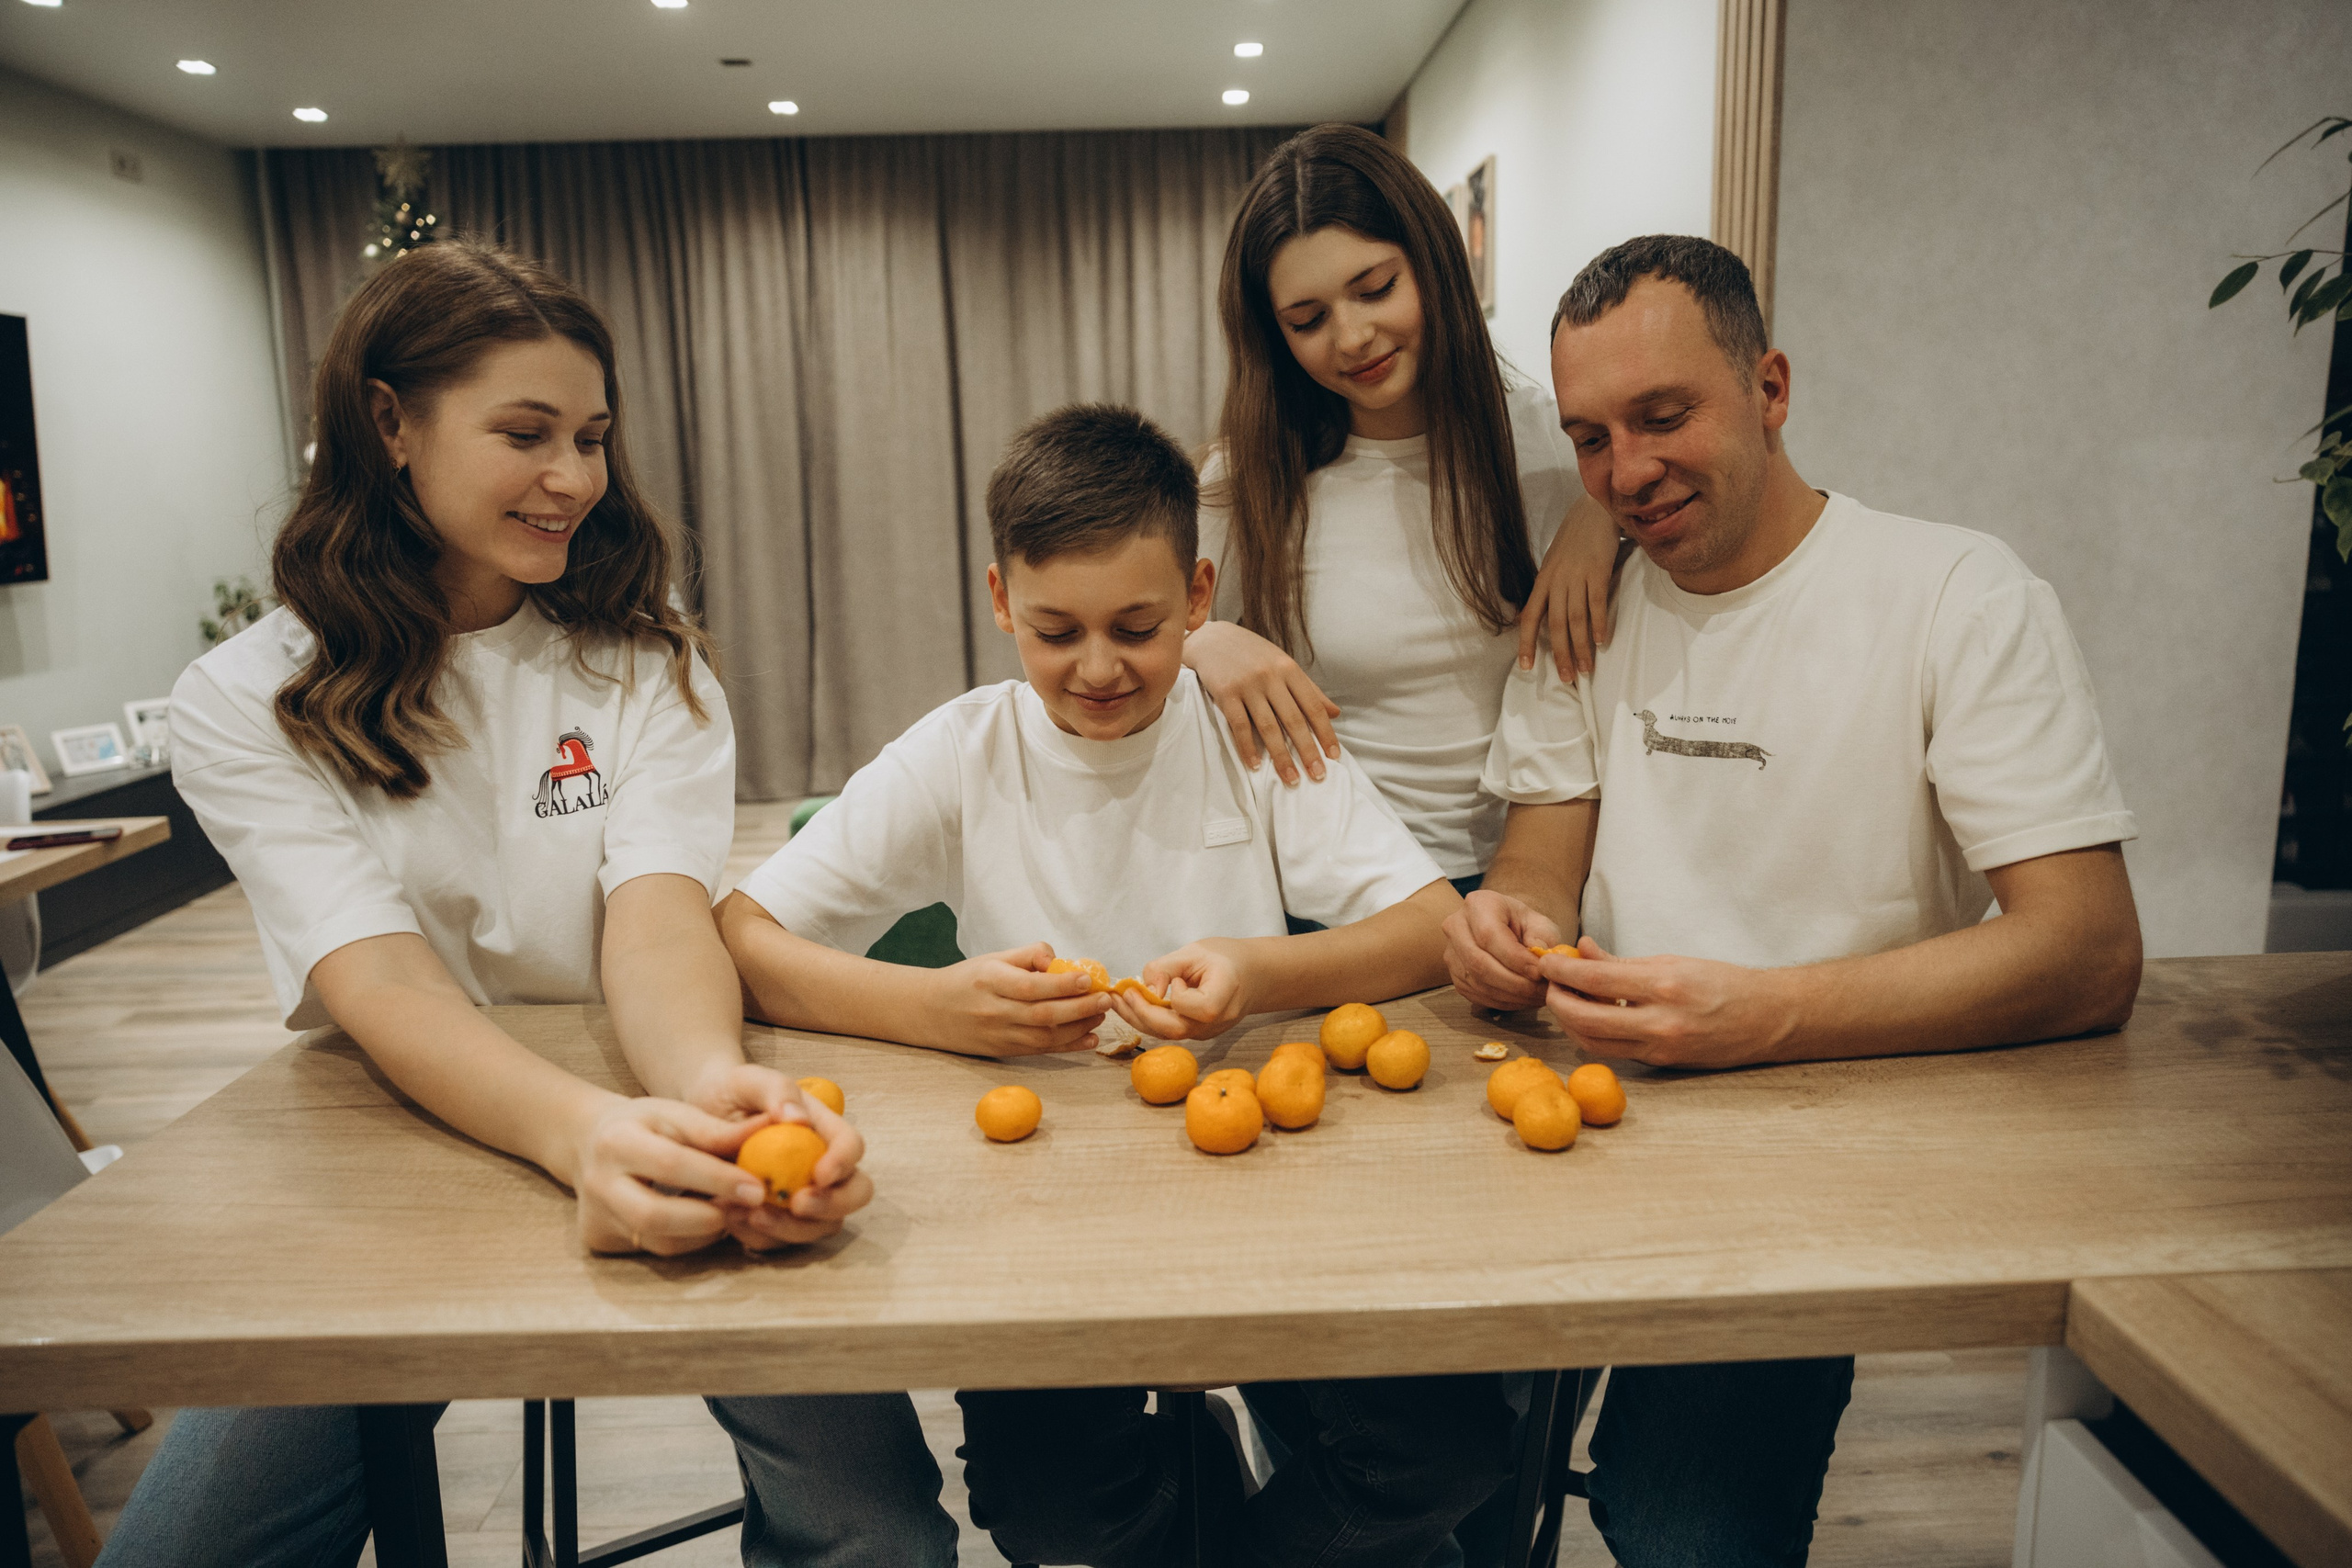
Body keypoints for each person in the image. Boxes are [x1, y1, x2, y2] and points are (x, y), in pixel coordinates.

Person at [103, 241, 955, 1568]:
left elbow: (658, 923)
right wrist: (582, 1135)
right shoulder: (246, 698)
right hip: (399, 1122)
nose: (574, 478)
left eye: (594, 439)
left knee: (879, 1536)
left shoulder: (644, 654)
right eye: (526, 433)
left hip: (642, 1074)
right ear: (390, 423)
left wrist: (707, 1094)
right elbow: (382, 981)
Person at [1452, 234, 2143, 1567]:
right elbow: (1540, 854)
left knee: (1685, 1530)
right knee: (1447, 1478)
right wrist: (1509, 919)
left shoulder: (1956, 595)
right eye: (1591, 438)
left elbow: (2089, 950)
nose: (1626, 472)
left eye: (1664, 416)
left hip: (1812, 1157)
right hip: (1577, 1118)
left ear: (1770, 387)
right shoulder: (1585, 608)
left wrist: (1761, 1015)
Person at [720, 404, 1513, 1566]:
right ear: (1001, 601)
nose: (1098, 669)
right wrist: (935, 1007)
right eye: (1057, 631)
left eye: (1137, 628)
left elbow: (1431, 925)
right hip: (1043, 1214)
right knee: (1043, 1509)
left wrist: (1256, 972)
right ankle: (1193, 1499)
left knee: (1446, 1451)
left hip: (1260, 1184)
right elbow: (739, 937)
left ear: (1197, 598)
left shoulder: (1246, 731)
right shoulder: (962, 750)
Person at [1186, 123, 1623, 891]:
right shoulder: (1247, 478)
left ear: (1432, 263)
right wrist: (1201, 642)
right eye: (1308, 320)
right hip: (1322, 889)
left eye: (1375, 289)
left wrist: (1605, 509)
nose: (1353, 337)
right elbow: (1138, 646)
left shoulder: (1551, 447)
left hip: (1523, 880)